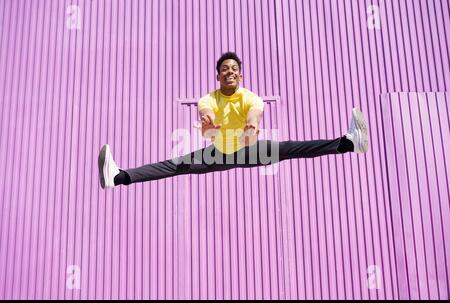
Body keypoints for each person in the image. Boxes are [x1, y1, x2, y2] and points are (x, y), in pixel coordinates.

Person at [98, 52, 368, 189]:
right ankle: (119, 177)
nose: (230, 72)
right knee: (176, 165)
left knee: (290, 148)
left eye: (234, 69)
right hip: (218, 152)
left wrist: (251, 127)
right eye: (225, 69)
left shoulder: (251, 98)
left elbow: (254, 113)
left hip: (247, 148)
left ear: (240, 76)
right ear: (218, 76)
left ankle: (347, 143)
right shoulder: (209, 98)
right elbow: (207, 114)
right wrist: (209, 125)